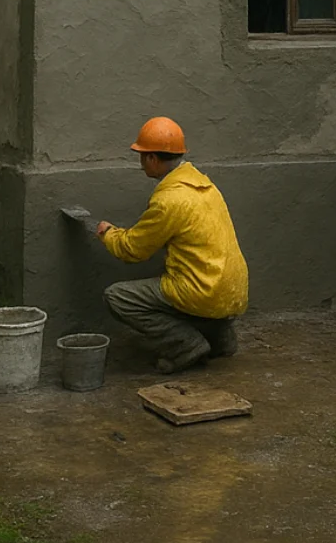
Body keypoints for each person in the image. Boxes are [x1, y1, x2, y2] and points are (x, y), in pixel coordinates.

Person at [94, 116, 249, 374]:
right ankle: (219, 335)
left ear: (153, 159)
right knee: (185, 287)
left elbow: (133, 250)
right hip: (232, 288)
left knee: (118, 296)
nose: (141, 162)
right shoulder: (204, 184)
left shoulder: (170, 200)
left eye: (142, 155)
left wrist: (108, 233)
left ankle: (184, 346)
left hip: (203, 290)